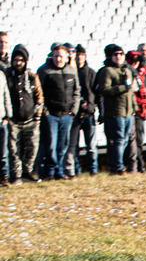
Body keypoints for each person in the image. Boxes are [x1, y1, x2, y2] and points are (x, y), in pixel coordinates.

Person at [37, 44, 79, 180]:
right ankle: (49, 172)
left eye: (61, 56)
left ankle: (59, 171)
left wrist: (73, 110)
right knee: (50, 146)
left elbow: (77, 91)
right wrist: (45, 111)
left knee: (63, 145)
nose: (58, 59)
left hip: (67, 115)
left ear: (66, 57)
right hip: (51, 116)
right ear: (52, 56)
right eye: (56, 56)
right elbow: (39, 92)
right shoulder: (44, 71)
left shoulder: (72, 71)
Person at [95, 44, 136, 175]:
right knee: (118, 140)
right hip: (115, 111)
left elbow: (131, 92)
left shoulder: (127, 70)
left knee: (124, 140)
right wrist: (122, 88)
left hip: (128, 111)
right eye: (115, 54)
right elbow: (104, 89)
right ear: (110, 57)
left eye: (121, 54)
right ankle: (117, 167)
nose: (118, 57)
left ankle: (118, 164)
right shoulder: (107, 71)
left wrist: (134, 106)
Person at [5, 44, 41, 184]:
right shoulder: (8, 76)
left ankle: (27, 172)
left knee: (31, 148)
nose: (18, 63)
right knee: (14, 150)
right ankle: (16, 175)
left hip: (30, 120)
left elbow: (39, 97)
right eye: (15, 60)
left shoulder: (32, 77)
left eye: (21, 60)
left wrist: (37, 116)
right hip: (13, 121)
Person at [66, 44, 97, 177]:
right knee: (74, 145)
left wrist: (92, 105)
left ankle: (93, 170)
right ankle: (77, 170)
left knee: (91, 146)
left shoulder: (91, 73)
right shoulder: (71, 71)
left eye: (82, 55)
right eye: (77, 54)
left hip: (89, 112)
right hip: (75, 114)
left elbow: (96, 92)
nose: (79, 57)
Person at [124, 49, 146, 173]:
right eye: (133, 60)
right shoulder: (129, 72)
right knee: (132, 140)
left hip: (141, 111)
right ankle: (137, 165)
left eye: (137, 61)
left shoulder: (142, 73)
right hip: (132, 110)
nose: (135, 63)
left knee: (139, 140)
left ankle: (139, 165)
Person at [0, 55, 9, 185]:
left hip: (1, 119)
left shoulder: (1, 75)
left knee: (3, 152)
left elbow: (6, 95)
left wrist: (7, 115)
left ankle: (3, 176)